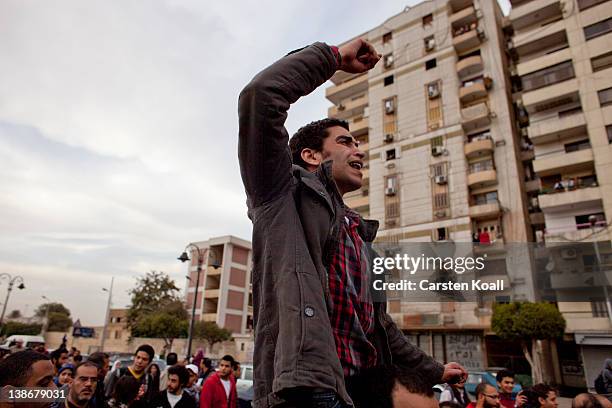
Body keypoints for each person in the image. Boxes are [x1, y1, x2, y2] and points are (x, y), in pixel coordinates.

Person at [238, 38, 466, 407]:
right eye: (345, 142)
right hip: (311, 389)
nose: (358, 150)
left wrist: (434, 371)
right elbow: (260, 97)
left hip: (361, 392)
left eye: (358, 144)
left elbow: (380, 326)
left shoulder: (360, 236)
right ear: (311, 155)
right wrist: (333, 58)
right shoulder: (280, 195)